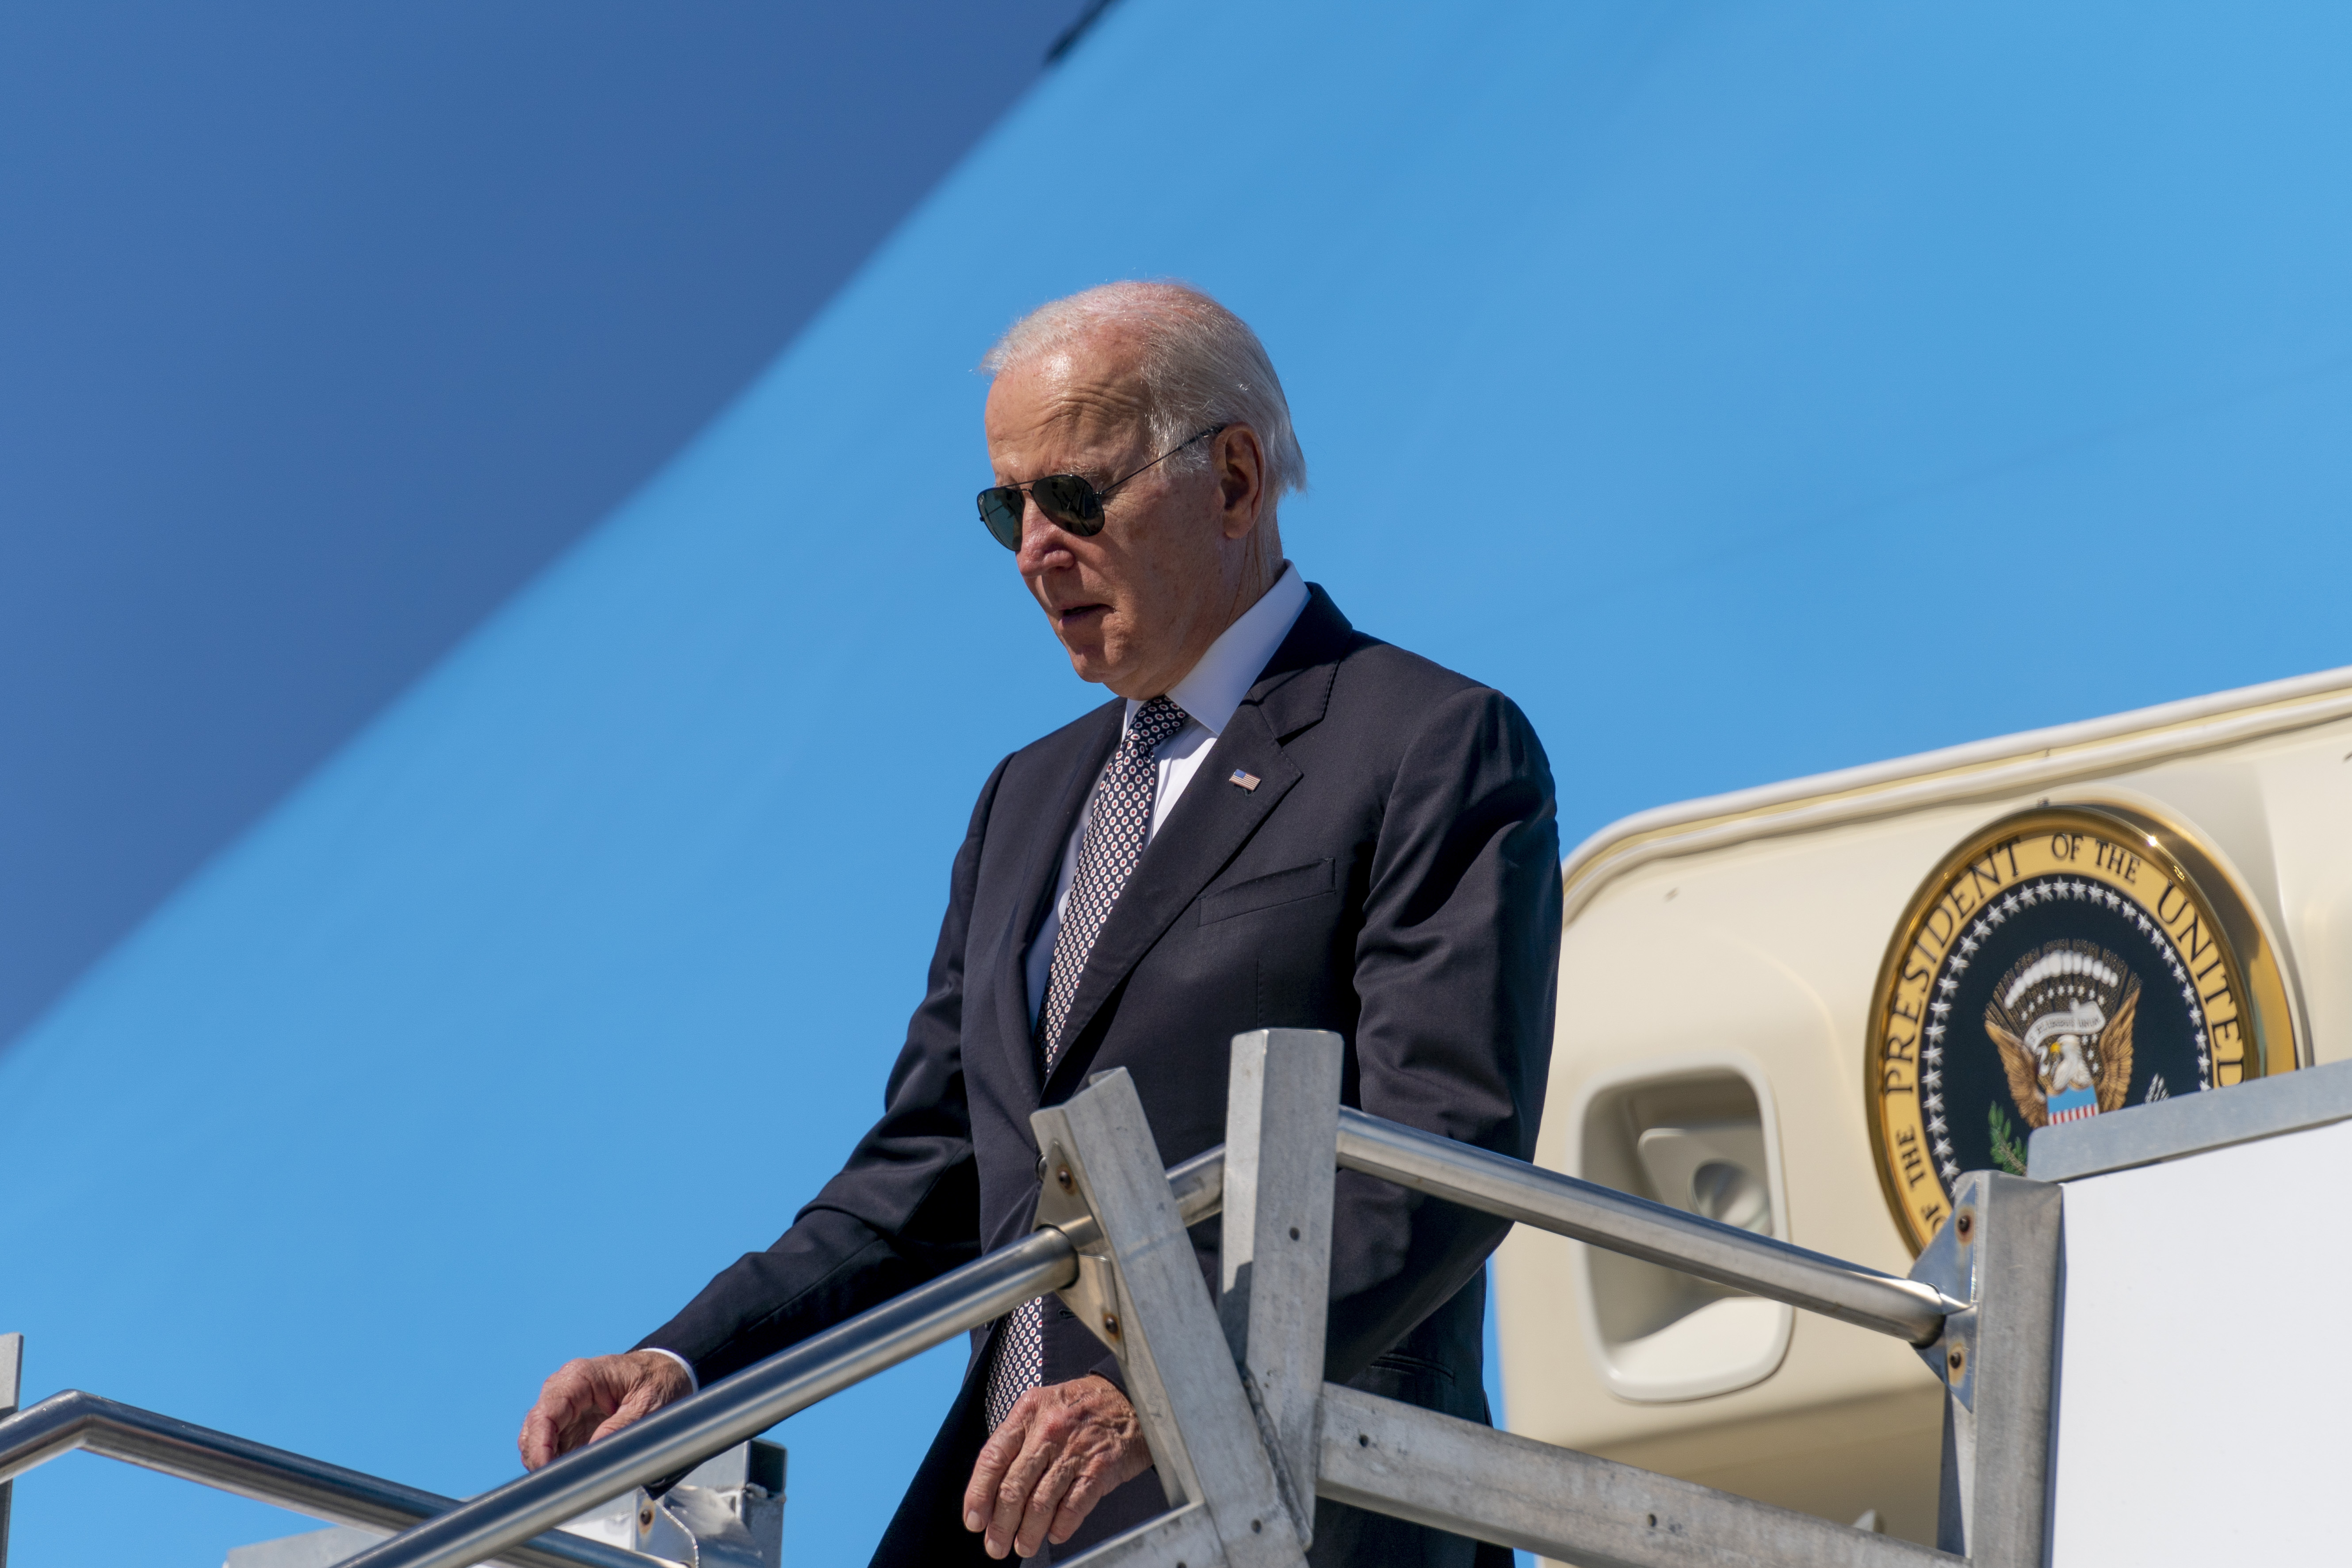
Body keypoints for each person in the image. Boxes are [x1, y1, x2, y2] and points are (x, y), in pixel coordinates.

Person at [517, 282, 1561, 1566]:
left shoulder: (1425, 744)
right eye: (1006, 508)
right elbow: (925, 1178)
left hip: (1290, 1513)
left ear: (1234, 479)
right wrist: (685, 1361)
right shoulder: (1026, 798)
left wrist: (1178, 1388)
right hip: (1008, 1521)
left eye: (1073, 497)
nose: (1033, 548)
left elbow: (1438, 1154)